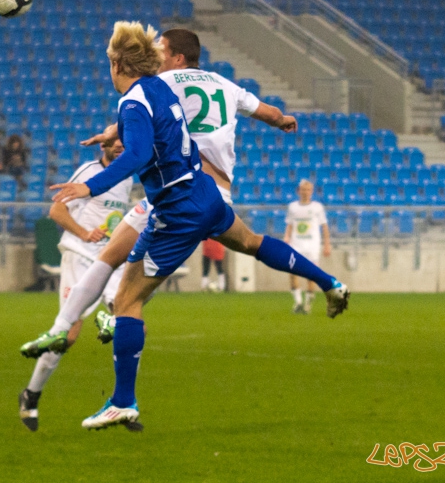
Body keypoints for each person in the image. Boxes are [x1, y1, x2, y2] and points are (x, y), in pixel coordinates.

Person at [19, 22, 349, 431]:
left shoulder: (161, 82)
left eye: (163, 47)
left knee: (125, 293)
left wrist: (89, 181)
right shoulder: (220, 83)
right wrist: (283, 121)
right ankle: (329, 282)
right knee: (250, 241)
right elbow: (267, 112)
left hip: (177, 204)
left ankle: (115, 389)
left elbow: (137, 146)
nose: (158, 54)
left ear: (172, 57)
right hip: (212, 193)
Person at [19, 138, 131, 431]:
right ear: (104, 145)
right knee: (67, 337)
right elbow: (56, 212)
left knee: (129, 316)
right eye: (114, 142)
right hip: (79, 256)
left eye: (124, 141)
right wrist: (84, 233)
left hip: (107, 259)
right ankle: (31, 394)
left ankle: (122, 402)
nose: (120, 146)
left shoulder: (127, 176)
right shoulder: (88, 172)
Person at [284, 179, 331, 314]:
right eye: (303, 190)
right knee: (292, 273)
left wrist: (327, 244)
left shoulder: (317, 207)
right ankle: (298, 302)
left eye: (308, 190)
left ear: (311, 191)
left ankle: (307, 304)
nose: (305, 192)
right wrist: (286, 237)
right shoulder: (293, 206)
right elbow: (290, 224)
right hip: (296, 244)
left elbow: (324, 226)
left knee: (311, 276)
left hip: (312, 245)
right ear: (299, 191)